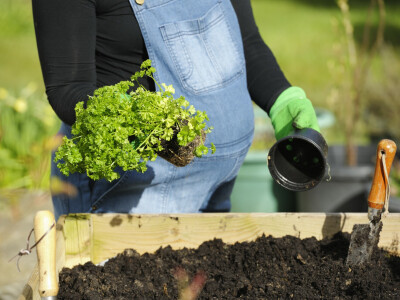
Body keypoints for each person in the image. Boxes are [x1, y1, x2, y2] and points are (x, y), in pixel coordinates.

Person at [32, 0, 320, 220]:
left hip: (217, 188)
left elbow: (247, 42)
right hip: (133, 195)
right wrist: (139, 125)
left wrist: (282, 100)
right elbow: (68, 89)